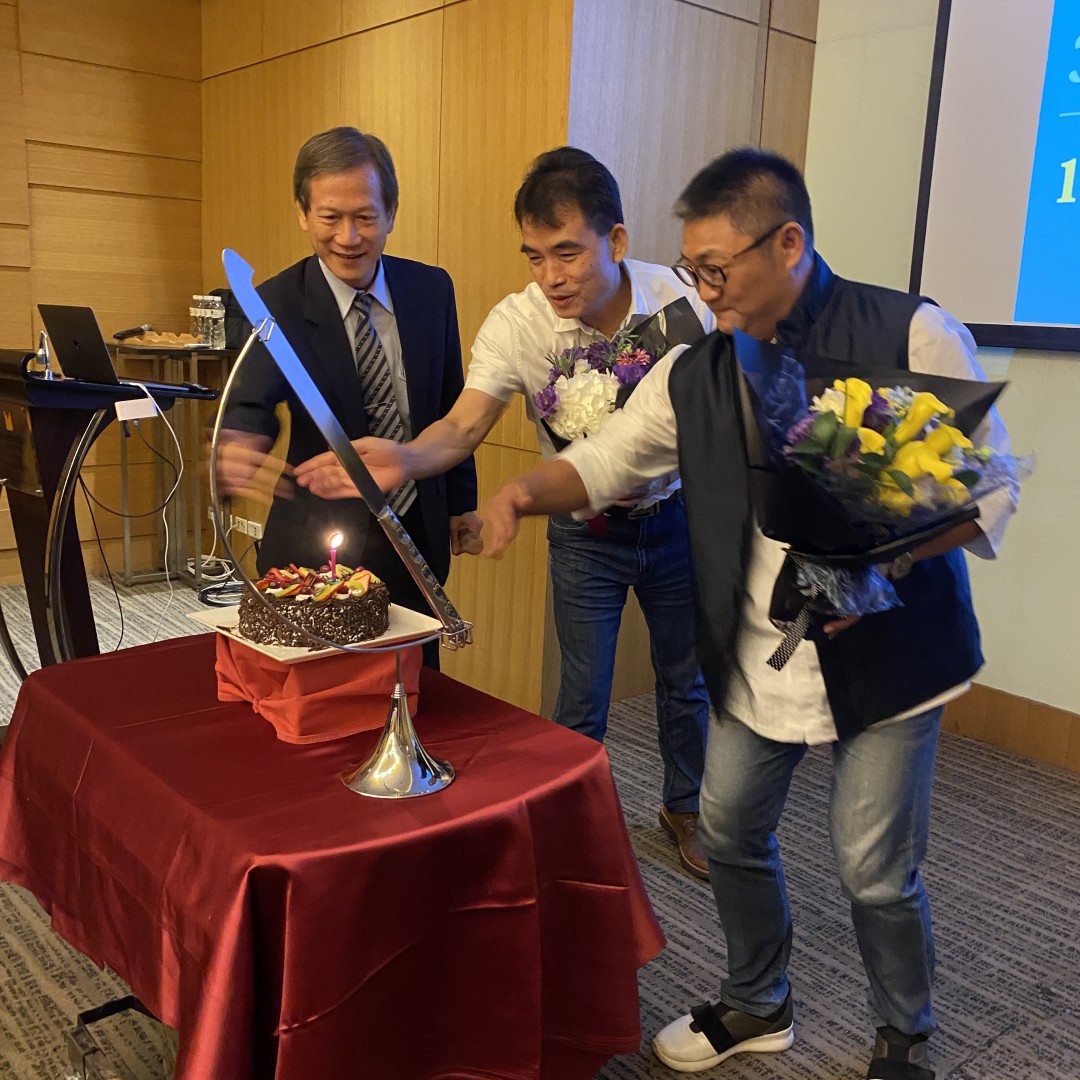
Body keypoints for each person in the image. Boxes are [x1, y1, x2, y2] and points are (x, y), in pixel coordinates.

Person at [478, 148, 1017, 1080]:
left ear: (789, 243)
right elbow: (607, 459)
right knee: (727, 829)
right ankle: (759, 1002)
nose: (703, 291)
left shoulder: (910, 332)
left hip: (890, 651)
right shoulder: (695, 371)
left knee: (872, 866)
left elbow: (991, 490)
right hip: (759, 651)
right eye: (694, 270)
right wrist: (521, 495)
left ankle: (904, 1037)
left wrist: (883, 561)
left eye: (717, 270)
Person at [295, 147, 715, 879]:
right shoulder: (518, 323)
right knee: (581, 691)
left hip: (678, 519)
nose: (551, 277)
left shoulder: (684, 304)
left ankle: (687, 809)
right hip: (585, 534)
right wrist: (408, 457)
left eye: (568, 254)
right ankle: (565, 819)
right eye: (534, 258)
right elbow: (462, 426)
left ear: (615, 240)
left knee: (686, 680)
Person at [216, 127, 478, 665]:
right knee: (326, 692)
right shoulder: (276, 302)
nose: (348, 237)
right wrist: (240, 441)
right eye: (330, 217)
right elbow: (250, 401)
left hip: (416, 528)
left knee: (417, 677)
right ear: (302, 213)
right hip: (318, 537)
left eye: (365, 217)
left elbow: (451, 400)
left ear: (392, 212)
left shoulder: (432, 290)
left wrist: (461, 502)